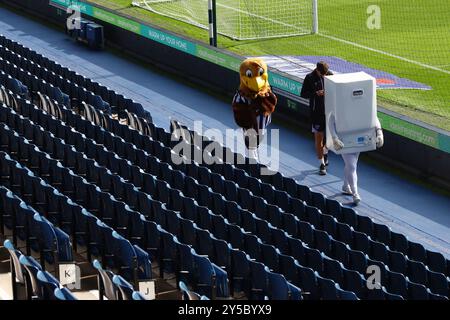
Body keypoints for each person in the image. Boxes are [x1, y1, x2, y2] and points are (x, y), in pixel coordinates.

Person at [329, 114, 384, 204]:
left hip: (359, 137)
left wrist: (379, 132)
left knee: (351, 165)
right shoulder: (339, 102)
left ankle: (346, 185)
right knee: (352, 166)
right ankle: (355, 193)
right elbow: (331, 120)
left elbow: (373, 115)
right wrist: (334, 137)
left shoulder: (362, 102)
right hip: (343, 139)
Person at [232, 58, 277, 160]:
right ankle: (251, 158)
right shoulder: (241, 95)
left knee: (260, 136)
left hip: (262, 122)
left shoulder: (266, 91)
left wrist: (265, 101)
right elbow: (238, 107)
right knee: (250, 140)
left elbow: (271, 103)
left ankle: (253, 152)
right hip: (250, 123)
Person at [301, 61, 333, 175]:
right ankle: (322, 164)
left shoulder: (330, 75)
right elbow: (303, 94)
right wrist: (315, 93)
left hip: (329, 113)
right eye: (322, 74)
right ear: (317, 70)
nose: (324, 76)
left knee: (330, 138)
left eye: (325, 73)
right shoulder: (309, 78)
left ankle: (325, 153)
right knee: (318, 139)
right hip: (316, 114)